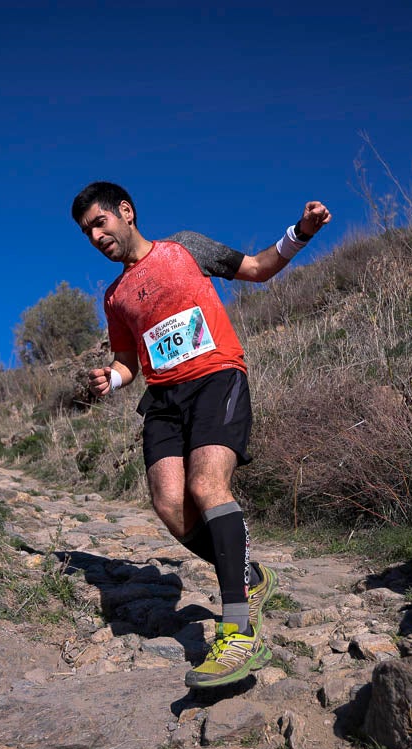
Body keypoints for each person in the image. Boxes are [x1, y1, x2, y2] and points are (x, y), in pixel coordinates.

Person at [72, 181, 331, 689]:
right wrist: (113, 377)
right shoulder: (115, 296)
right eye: (86, 233)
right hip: (164, 400)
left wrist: (301, 233)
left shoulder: (183, 247)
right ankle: (249, 577)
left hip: (216, 377)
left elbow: (257, 269)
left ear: (125, 212)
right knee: (171, 504)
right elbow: (130, 361)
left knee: (206, 487)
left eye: (100, 222)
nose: (96, 236)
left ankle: (237, 633)